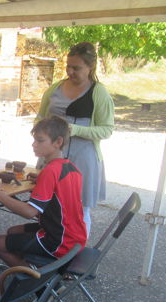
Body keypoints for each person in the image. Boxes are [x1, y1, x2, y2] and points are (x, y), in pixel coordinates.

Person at [0, 116, 87, 267]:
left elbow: (29, 212)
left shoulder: (50, 171)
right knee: (13, 231)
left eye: (40, 140)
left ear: (58, 142)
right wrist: (41, 181)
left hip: (60, 241)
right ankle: (31, 263)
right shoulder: (70, 167)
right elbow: (61, 195)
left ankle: (36, 280)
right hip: (76, 236)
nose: (34, 144)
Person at [37, 41, 114, 235]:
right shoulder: (55, 89)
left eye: (76, 68)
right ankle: (49, 249)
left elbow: (106, 130)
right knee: (48, 205)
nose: (70, 71)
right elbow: (39, 117)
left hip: (83, 158)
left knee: (79, 209)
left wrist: (75, 130)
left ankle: (75, 258)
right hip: (52, 156)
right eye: (68, 66)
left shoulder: (99, 92)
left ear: (90, 67)